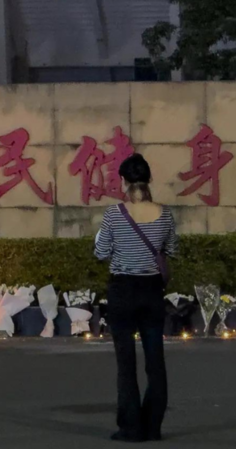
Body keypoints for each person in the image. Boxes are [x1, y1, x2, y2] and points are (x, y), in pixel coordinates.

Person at [95, 153, 178, 443]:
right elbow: (173, 250)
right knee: (155, 362)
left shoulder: (114, 214)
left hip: (123, 291)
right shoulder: (165, 214)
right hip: (152, 291)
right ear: (149, 179)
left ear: (123, 181)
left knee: (126, 363)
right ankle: (153, 426)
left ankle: (131, 428)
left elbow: (101, 252)